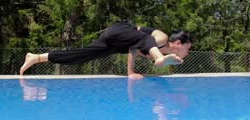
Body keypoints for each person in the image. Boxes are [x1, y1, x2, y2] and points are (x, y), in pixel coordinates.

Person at [19, 21, 192, 78]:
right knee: (147, 39)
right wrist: (131, 71)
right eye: (188, 48)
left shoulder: (154, 47)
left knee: (82, 55)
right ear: (178, 44)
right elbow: (136, 43)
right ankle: (159, 61)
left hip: (115, 42)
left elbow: (135, 48)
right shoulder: (161, 38)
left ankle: (36, 57)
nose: (188, 52)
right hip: (120, 30)